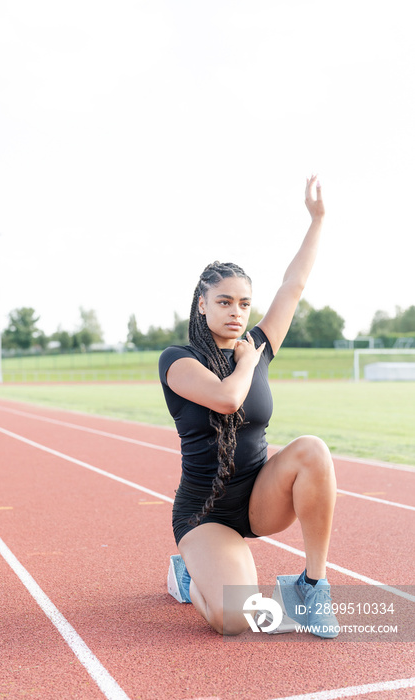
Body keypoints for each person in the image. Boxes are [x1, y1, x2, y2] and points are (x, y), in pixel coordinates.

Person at [158, 175, 339, 638]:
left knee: (313, 449)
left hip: (260, 498)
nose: (236, 312)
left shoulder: (257, 343)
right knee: (234, 621)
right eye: (224, 301)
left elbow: (293, 285)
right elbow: (227, 397)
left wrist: (317, 220)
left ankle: (310, 584)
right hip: (205, 512)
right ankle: (191, 574)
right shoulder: (178, 361)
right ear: (202, 305)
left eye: (243, 303)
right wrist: (244, 361)